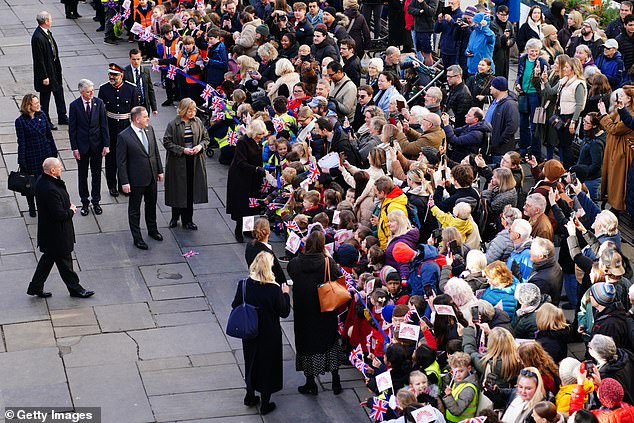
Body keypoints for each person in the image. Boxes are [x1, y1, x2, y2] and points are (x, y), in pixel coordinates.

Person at [232, 251, 291, 415]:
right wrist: (286, 294)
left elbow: (235, 304)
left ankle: (249, 394)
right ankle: (265, 402)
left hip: (249, 332)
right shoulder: (273, 289)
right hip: (269, 333)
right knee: (267, 366)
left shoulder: (243, 285)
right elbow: (284, 312)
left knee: (250, 361)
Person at [287, 231, 345, 396]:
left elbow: (291, 273)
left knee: (306, 345)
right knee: (330, 343)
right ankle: (335, 381)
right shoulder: (327, 262)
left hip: (304, 313)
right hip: (325, 311)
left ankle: (310, 382)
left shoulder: (295, 263)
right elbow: (339, 278)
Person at [27, 158, 94, 299]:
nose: (62, 168)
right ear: (52, 170)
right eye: (59, 166)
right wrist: (72, 210)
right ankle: (76, 289)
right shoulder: (50, 188)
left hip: (50, 234)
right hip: (57, 235)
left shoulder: (43, 181)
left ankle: (35, 287)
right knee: (65, 263)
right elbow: (59, 215)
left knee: (47, 261)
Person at [116, 106, 164, 250]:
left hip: (151, 176)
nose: (147, 119)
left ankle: (153, 230)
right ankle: (137, 237)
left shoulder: (150, 130)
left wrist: (160, 170)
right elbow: (121, 162)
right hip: (136, 180)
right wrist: (124, 181)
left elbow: (155, 151)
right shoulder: (124, 136)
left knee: (151, 205)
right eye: (145, 117)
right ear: (137, 119)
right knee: (135, 209)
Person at [163, 98, 209, 230]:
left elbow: (206, 138)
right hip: (178, 162)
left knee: (189, 190)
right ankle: (174, 217)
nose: (192, 112)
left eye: (194, 110)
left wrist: (200, 146)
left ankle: (188, 220)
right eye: (190, 110)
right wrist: (182, 150)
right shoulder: (173, 124)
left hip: (194, 161)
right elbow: (167, 142)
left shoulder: (198, 122)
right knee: (177, 190)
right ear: (183, 110)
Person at [68, 79, 109, 217]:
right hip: (82, 147)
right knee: (82, 176)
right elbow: (72, 129)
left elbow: (104, 125)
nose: (92, 93)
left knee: (96, 175)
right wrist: (74, 148)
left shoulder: (99, 103)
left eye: (92, 90)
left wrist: (106, 145)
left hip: (97, 146)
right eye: (88, 91)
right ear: (81, 92)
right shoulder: (74, 106)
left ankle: (96, 201)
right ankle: (85, 202)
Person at [99, 63, 139, 197]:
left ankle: (124, 184)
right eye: (110, 74)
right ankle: (112, 185)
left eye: (115, 75)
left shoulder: (131, 89)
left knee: (125, 158)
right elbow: (100, 112)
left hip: (126, 127)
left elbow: (135, 111)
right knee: (111, 160)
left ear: (122, 75)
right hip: (110, 128)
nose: (112, 77)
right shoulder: (104, 89)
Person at [15, 94, 58, 218]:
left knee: (48, 181)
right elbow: (21, 142)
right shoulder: (20, 121)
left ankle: (46, 205)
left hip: (45, 152)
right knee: (30, 183)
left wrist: (54, 153)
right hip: (31, 155)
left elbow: (49, 135)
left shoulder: (42, 115)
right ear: (29, 106)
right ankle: (31, 207)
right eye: (36, 103)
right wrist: (22, 161)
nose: (38, 105)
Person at [226, 119, 267, 242]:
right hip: (240, 178)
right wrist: (256, 169)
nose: (261, 137)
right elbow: (240, 162)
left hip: (253, 177)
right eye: (259, 134)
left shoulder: (258, 142)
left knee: (250, 204)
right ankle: (239, 229)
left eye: (262, 134)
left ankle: (247, 229)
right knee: (242, 205)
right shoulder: (243, 142)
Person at [31, 11, 68, 130]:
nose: (51, 21)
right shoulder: (37, 37)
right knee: (45, 98)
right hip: (47, 72)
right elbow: (39, 59)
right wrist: (44, 76)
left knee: (59, 93)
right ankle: (46, 120)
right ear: (46, 21)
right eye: (50, 19)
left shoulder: (46, 33)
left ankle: (62, 116)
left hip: (54, 69)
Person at [516, 39, 549, 159]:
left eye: (536, 51)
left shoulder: (542, 62)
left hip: (535, 95)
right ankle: (523, 148)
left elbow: (545, 80)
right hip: (524, 93)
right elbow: (519, 75)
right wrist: (517, 84)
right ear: (527, 50)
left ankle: (536, 153)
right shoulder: (523, 59)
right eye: (532, 51)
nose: (534, 53)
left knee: (535, 124)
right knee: (523, 123)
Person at [587, 334, 634, 404]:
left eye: (590, 347)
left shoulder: (604, 376)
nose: (588, 345)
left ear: (597, 353)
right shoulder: (626, 355)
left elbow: (605, 401)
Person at [485, 76, 518, 164]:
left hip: (501, 151)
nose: (490, 87)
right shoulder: (495, 100)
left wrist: (498, 142)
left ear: (498, 88)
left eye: (492, 86)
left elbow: (512, 127)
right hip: (492, 147)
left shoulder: (510, 105)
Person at [246, 218, 287, 286]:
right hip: (268, 284)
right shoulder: (267, 254)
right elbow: (277, 273)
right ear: (268, 232)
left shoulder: (250, 245)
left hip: (254, 279)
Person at [527, 237, 562, 304]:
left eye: (532, 250)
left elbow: (533, 302)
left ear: (540, 256)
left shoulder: (540, 280)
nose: (529, 252)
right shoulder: (554, 264)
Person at [124, 49, 158, 117]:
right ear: (130, 59)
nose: (136, 62)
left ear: (141, 59)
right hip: (131, 105)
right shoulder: (125, 72)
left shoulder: (145, 71)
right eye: (133, 59)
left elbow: (150, 89)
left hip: (144, 104)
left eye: (138, 59)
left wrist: (154, 108)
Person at [491, 5, 515, 79]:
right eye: (502, 15)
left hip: (506, 55)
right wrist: (504, 37)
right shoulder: (493, 25)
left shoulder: (509, 24)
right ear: (497, 14)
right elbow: (496, 42)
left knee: (505, 75)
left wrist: (509, 42)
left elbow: (513, 37)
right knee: (497, 76)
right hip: (496, 55)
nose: (504, 17)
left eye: (506, 15)